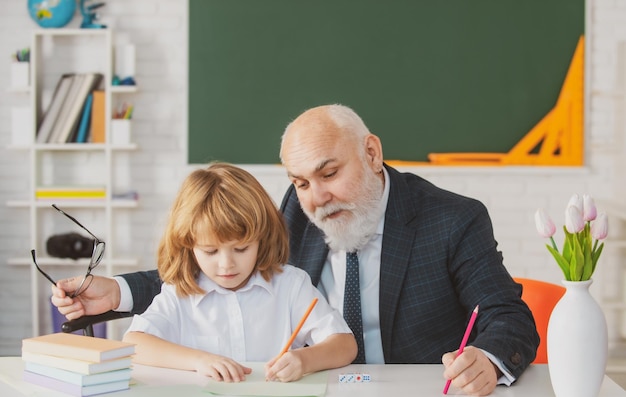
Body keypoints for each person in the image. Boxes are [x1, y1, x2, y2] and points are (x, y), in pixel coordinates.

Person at [52, 104, 539, 396]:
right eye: (301, 182)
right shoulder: (297, 208)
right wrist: (116, 291)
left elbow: (507, 316)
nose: (317, 198)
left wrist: (487, 359)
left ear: (371, 153)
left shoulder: (452, 218)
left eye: (330, 174)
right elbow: (221, 269)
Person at [120, 163, 357, 382]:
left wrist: (305, 360)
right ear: (188, 246)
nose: (226, 265)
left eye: (241, 248)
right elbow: (134, 342)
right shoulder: (181, 293)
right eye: (210, 251)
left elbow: (345, 345)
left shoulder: (290, 285)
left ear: (261, 240)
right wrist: (198, 360)